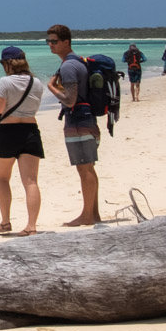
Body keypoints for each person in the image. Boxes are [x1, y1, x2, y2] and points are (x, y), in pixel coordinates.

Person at [45, 24, 101, 227]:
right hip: (86, 119)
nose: (50, 45)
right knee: (88, 167)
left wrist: (51, 87)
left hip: (78, 120)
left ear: (66, 42)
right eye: (48, 41)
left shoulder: (69, 66)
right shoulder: (77, 62)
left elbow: (70, 100)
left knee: (84, 167)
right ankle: (93, 213)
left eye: (54, 41)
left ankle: (87, 215)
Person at [0, 45, 44, 235]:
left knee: (2, 178)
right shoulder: (37, 82)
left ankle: (5, 222)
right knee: (31, 181)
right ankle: (32, 226)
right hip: (30, 130)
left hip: (8, 132)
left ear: (8, 63)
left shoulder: (5, 82)